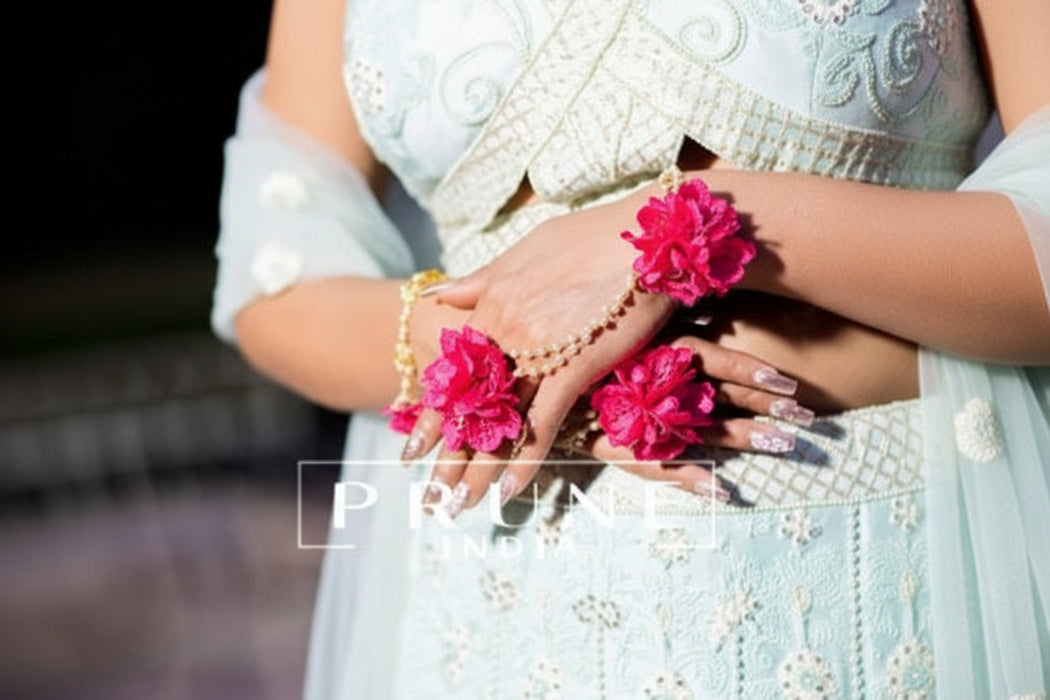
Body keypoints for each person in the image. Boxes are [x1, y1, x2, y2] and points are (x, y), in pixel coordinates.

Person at [212, 0, 1050, 697]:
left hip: (863, 569)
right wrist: (509, 355)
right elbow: (276, 282)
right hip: (503, 594)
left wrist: (682, 230)